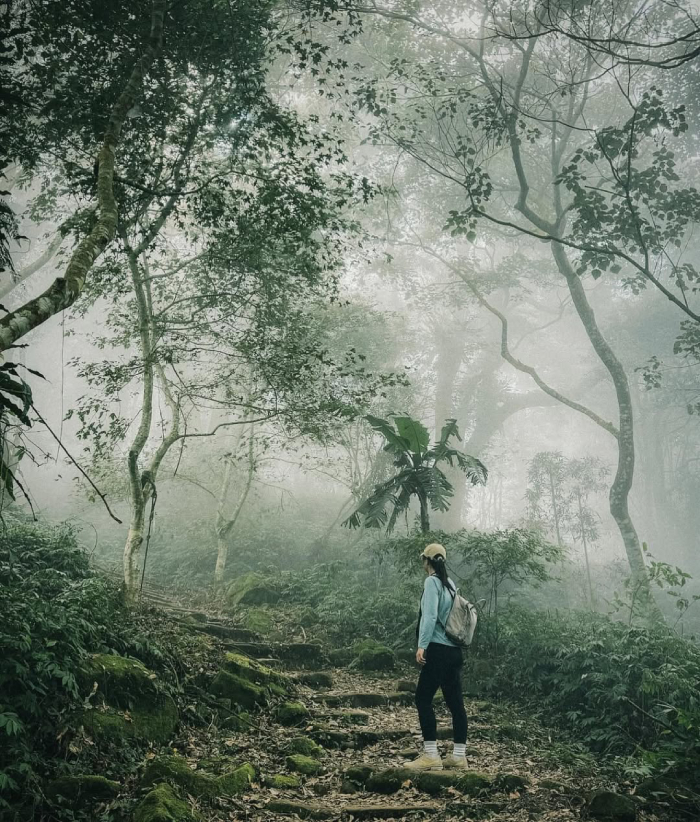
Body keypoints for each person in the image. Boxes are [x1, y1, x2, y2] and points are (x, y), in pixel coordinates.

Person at [405, 542, 469, 771]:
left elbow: (430, 616)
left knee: (422, 699)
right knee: (456, 704)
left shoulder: (432, 582)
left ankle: (431, 755)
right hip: (454, 652)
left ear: (427, 560)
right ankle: (459, 757)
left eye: (423, 559)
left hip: (438, 650)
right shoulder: (450, 584)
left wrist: (422, 646)